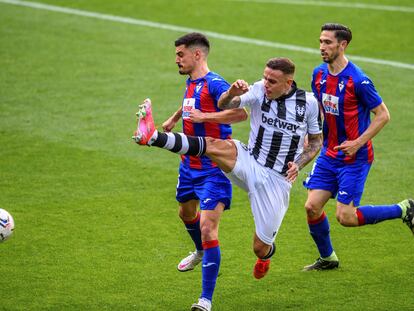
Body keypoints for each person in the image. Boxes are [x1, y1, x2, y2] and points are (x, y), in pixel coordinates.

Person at [133, 57, 323, 310]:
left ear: (288, 82)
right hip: (249, 159)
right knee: (212, 145)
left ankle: (266, 256)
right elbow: (228, 104)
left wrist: (298, 164)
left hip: (276, 181)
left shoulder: (308, 103)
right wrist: (232, 92)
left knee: (259, 247)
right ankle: (153, 136)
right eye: (265, 77)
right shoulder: (257, 90)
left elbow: (316, 142)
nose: (266, 83)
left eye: (272, 81)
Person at [135, 32, 247, 311]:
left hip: (214, 168)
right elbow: (192, 101)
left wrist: (233, 93)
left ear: (197, 54)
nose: (176, 60)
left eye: (180, 54)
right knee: (186, 213)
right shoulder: (193, 82)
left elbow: (236, 110)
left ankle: (205, 300)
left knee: (209, 229)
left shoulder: (215, 83)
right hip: (188, 165)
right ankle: (200, 252)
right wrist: (176, 117)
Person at [302, 23, 414, 271]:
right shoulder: (318, 74)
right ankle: (328, 258)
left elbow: (383, 115)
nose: (322, 47)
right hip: (329, 154)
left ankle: (404, 209)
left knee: (346, 218)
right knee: (311, 206)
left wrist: (357, 143)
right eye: (321, 41)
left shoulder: (358, 80)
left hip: (355, 158)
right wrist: (313, 136)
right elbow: (321, 109)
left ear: (342, 45)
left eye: (328, 42)